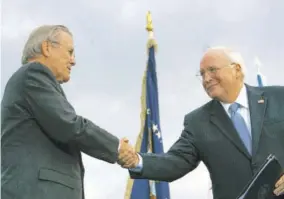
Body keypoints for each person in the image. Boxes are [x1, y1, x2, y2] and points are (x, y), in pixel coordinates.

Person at [118, 47, 284, 199]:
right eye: (202, 74)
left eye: (212, 70)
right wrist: (137, 161)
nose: (206, 79)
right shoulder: (198, 122)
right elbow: (175, 161)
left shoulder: (278, 98)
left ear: (236, 70)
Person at [1, 25, 134, 199]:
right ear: (47, 48)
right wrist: (116, 148)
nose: (73, 61)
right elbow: (69, 125)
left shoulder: (30, 82)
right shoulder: (33, 74)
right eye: (69, 52)